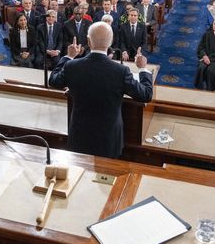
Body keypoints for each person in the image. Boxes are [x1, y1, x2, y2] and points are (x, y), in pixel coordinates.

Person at [48, 21, 153, 158]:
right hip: (109, 139)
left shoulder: (72, 66)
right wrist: (142, 69)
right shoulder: (120, 71)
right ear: (110, 42)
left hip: (80, 134)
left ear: (88, 41)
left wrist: (69, 56)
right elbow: (146, 94)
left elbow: (53, 81)